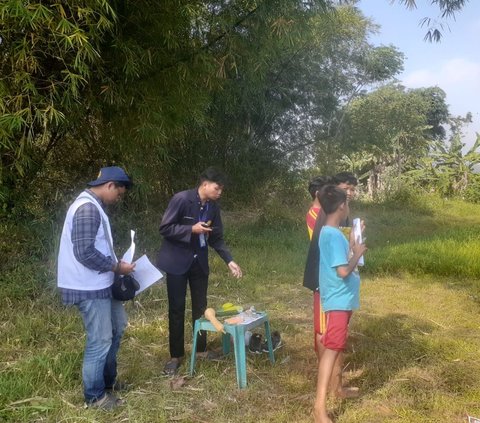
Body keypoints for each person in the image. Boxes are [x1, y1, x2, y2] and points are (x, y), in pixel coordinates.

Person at [57, 166, 136, 410]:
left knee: (117, 327)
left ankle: (108, 383)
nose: (118, 199)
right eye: (119, 193)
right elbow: (84, 252)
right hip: (87, 287)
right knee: (100, 339)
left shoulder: (93, 206)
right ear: (110, 185)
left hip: (100, 284)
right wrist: (116, 267)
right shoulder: (87, 209)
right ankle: (95, 397)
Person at [156, 167, 243, 376]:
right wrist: (190, 229)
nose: (219, 192)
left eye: (222, 189)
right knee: (176, 308)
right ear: (204, 184)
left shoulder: (213, 207)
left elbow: (216, 237)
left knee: (201, 308)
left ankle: (201, 349)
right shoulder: (181, 199)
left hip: (199, 263)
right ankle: (175, 355)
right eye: (217, 188)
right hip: (177, 262)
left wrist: (229, 260)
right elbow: (165, 228)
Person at [313, 185, 367, 423]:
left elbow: (340, 258)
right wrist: (357, 253)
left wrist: (355, 240)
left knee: (336, 346)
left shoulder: (329, 231)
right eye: (348, 202)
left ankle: (337, 389)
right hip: (337, 300)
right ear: (342, 206)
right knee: (331, 349)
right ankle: (319, 409)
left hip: (341, 299)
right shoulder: (332, 234)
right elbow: (344, 270)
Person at [305, 176, 331, 360]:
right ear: (317, 194)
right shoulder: (315, 215)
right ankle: (323, 359)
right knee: (321, 323)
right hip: (321, 273)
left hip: (328, 271)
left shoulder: (324, 213)